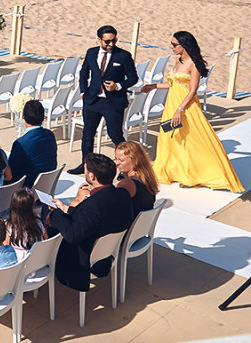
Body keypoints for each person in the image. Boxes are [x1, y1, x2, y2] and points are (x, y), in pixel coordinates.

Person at [141, 31, 243, 193]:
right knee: (171, 137)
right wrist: (153, 86)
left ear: (184, 45)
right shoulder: (178, 60)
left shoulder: (194, 64)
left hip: (186, 107)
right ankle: (176, 171)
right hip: (171, 105)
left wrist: (179, 110)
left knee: (192, 139)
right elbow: (172, 84)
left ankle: (198, 174)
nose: (172, 47)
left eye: (175, 45)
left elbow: (192, 90)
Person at [47, 153, 134, 292]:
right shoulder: (122, 194)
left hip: (83, 260)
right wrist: (64, 208)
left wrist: (56, 214)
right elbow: (91, 218)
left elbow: (72, 234)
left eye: (86, 171)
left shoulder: (93, 204)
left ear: (92, 177)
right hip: (106, 254)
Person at [68, 25, 138, 175]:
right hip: (93, 100)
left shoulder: (123, 56)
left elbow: (133, 78)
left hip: (113, 102)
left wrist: (118, 86)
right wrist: (83, 92)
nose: (111, 44)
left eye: (113, 40)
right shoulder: (91, 53)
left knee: (115, 135)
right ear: (99, 40)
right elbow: (84, 72)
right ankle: (85, 165)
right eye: (107, 42)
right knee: (87, 134)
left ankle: (125, 168)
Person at [8, 99, 57, 186]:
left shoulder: (20, 144)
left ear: (23, 116)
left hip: (26, 190)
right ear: (43, 118)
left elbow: (12, 175)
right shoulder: (50, 135)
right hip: (46, 185)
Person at [114, 141, 159, 217]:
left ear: (135, 160)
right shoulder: (147, 178)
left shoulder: (127, 184)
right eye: (116, 159)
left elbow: (108, 204)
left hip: (128, 225)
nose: (116, 163)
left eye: (121, 160)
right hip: (142, 225)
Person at [6, 188, 46, 260]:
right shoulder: (39, 224)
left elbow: (6, 247)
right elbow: (46, 241)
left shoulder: (10, 226)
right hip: (37, 261)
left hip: (19, 263)